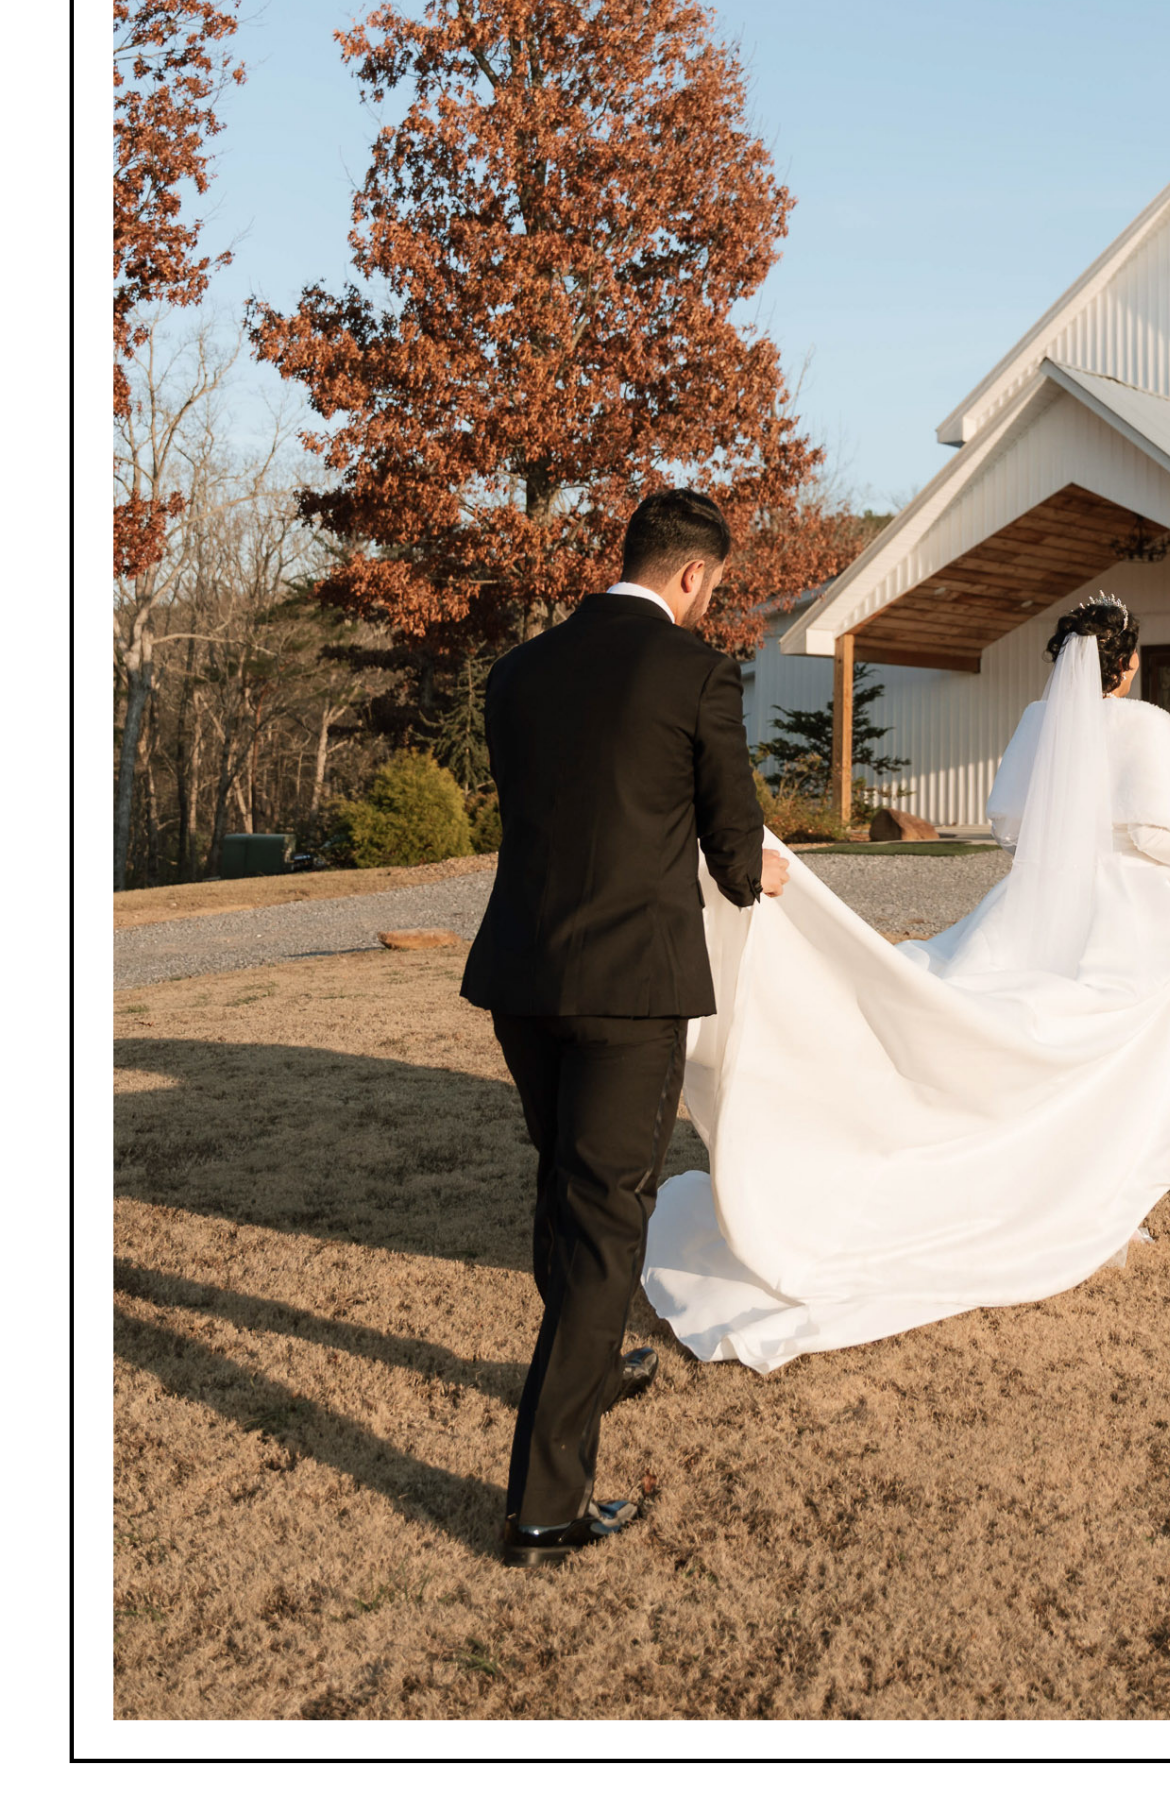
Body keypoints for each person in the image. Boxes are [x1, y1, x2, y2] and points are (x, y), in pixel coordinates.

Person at [642, 593, 1170, 1375]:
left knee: (983, 1000)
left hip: (1032, 900)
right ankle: (1083, 1192)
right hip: (1125, 911)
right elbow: (1156, 834)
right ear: (1124, 665)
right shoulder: (1149, 725)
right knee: (1115, 1040)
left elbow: (1008, 825)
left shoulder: (1032, 723)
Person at [461, 489, 789, 1564]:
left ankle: (596, 1364)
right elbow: (735, 855)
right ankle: (545, 1505)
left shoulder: (517, 673)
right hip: (630, 990)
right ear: (694, 576)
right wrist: (764, 871)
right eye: (716, 590)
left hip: (521, 974)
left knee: (565, 1185)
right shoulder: (697, 673)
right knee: (605, 1226)